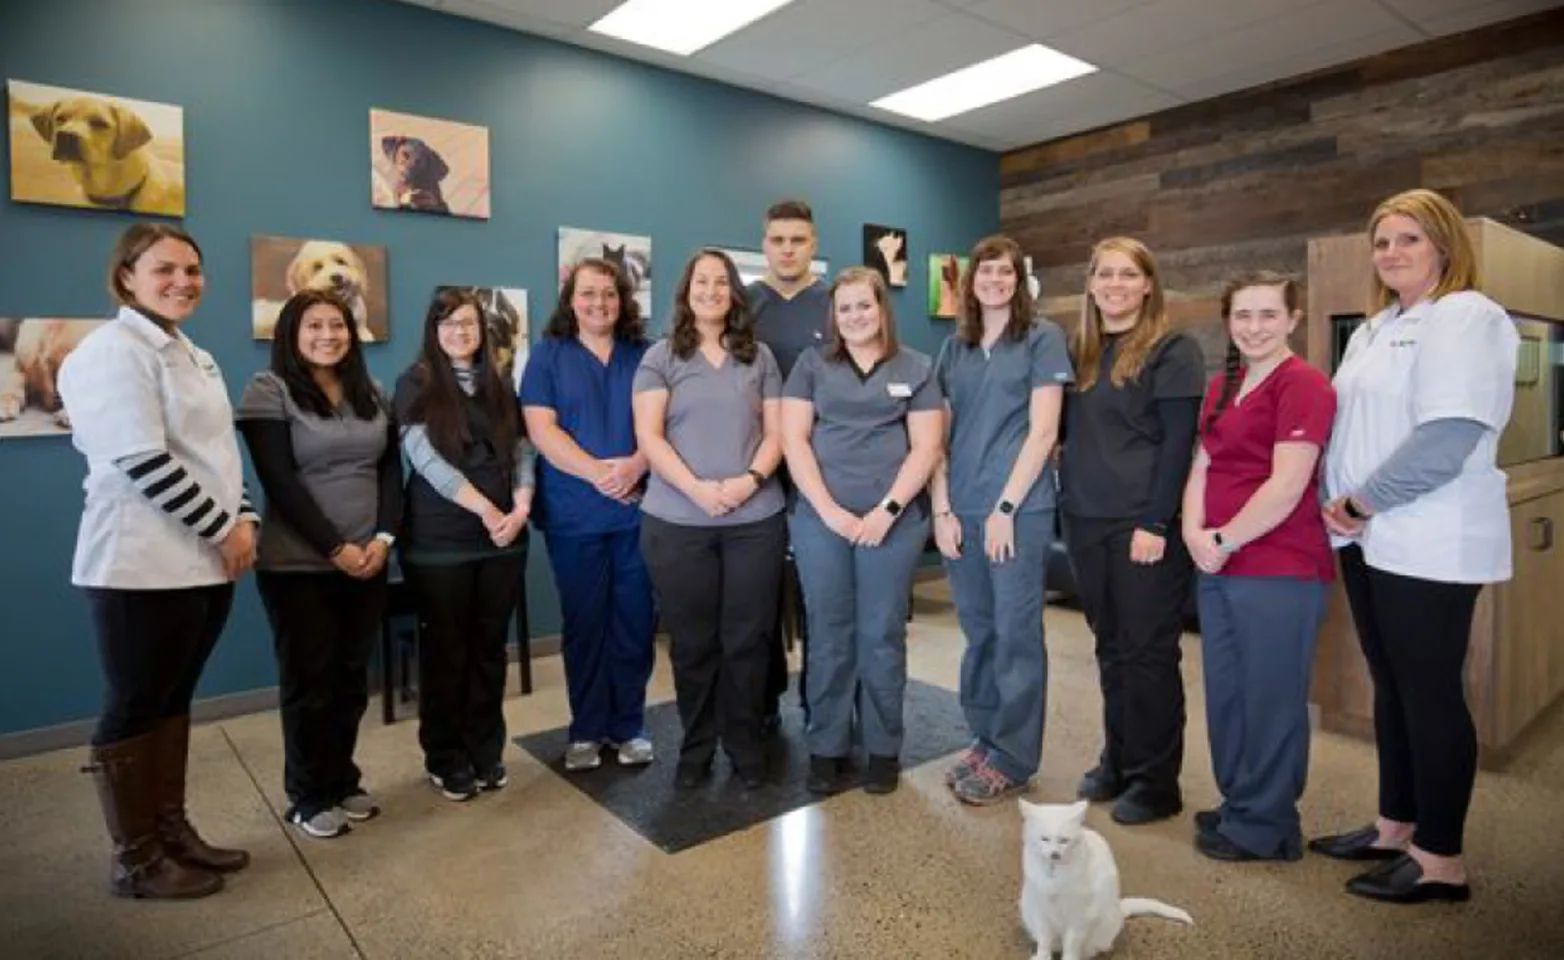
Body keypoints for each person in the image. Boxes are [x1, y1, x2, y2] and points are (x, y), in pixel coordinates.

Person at [1311, 189, 1517, 904]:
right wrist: (1336, 508)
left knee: (1429, 694)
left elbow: (1448, 436)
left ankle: (1441, 859)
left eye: (1410, 240)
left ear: (1444, 247)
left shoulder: (1466, 316)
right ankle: (1395, 826)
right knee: (1391, 686)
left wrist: (1363, 501)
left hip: (1425, 537)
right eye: (1383, 242)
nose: (1392, 253)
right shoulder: (1374, 329)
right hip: (1367, 539)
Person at [58, 223, 255, 899]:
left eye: (193, 270)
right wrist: (224, 529)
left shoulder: (192, 354)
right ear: (127, 278)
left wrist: (245, 518)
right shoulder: (110, 352)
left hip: (200, 562)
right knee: (134, 706)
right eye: (165, 269)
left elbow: (220, 453)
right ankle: (137, 859)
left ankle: (173, 832)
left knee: (172, 701)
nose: (183, 281)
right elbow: (143, 462)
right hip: (139, 564)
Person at [1180, 272, 1336, 862]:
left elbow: (1288, 484)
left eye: (1268, 315)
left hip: (1278, 568)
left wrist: (1221, 537)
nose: (1254, 327)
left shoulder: (1305, 385)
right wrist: (1194, 531)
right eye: (1243, 315)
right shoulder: (1225, 383)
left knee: (1270, 696)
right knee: (1228, 692)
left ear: (1293, 319)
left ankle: (1268, 826)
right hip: (1217, 563)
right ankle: (1240, 800)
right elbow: (1203, 465)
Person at [237, 290, 403, 839]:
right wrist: (336, 548)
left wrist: (382, 539)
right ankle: (307, 794)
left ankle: (341, 778)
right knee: (311, 682)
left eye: (337, 324)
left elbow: (387, 472)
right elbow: (278, 481)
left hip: (369, 560)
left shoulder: (371, 392)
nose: (328, 334)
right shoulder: (270, 390)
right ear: (292, 332)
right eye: (314, 325)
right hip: (298, 566)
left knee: (352, 679)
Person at [1059, 236, 1205, 826]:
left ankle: (1156, 780)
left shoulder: (1174, 350)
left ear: (1148, 284)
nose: (1115, 285)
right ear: (1091, 285)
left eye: (1127, 275)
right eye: (1104, 275)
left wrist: (1155, 522)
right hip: (1086, 520)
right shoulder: (1080, 351)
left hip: (1141, 524)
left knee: (1148, 653)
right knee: (1110, 647)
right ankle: (1117, 759)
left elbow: (1178, 447)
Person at [781, 266, 942, 796]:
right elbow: (795, 441)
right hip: (821, 518)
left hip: (891, 523)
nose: (854, 316)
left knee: (881, 634)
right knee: (828, 633)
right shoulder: (811, 365)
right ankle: (827, 746)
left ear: (882, 309)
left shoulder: (916, 366)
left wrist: (888, 510)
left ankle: (883, 748)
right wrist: (828, 510)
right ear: (835, 315)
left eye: (864, 305)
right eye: (845, 307)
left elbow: (926, 448)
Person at [633, 249, 786, 791]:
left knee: (747, 640)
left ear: (734, 293)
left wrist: (748, 481)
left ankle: (746, 747)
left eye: (722, 282)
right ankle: (696, 748)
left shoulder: (760, 357)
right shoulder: (660, 358)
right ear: (686, 291)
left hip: (755, 520)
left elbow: (777, 433)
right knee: (695, 644)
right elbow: (649, 437)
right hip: (677, 522)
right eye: (702, 282)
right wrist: (698, 490)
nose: (712, 291)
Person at [930, 234, 1072, 806]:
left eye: (1005, 272)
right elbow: (935, 434)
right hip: (961, 507)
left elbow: (1044, 432)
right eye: (985, 271)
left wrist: (1006, 507)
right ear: (971, 281)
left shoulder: (1042, 339)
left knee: (1016, 635)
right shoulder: (955, 347)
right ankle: (985, 737)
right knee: (979, 632)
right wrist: (941, 507)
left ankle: (1013, 757)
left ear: (1020, 281)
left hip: (1018, 508)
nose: (995, 280)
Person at [393, 289, 535, 802]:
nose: (459, 331)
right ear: (434, 330)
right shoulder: (416, 383)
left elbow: (522, 449)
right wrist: (489, 511)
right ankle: (445, 756)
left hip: (503, 542)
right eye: (448, 323)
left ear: (483, 329)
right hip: (441, 542)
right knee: (447, 652)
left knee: (488, 651)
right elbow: (426, 461)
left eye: (468, 323)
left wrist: (519, 509)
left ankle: (485, 750)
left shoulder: (500, 383)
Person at [520, 259, 656, 773]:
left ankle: (629, 727)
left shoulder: (645, 355)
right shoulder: (547, 357)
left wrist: (639, 464)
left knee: (635, 623)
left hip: (638, 513)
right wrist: (602, 474)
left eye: (609, 293)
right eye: (588, 294)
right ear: (570, 300)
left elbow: (662, 423)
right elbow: (542, 431)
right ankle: (586, 729)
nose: (599, 303)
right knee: (585, 624)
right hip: (574, 516)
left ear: (623, 299)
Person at [747, 198, 832, 730]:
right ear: (765, 244)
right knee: (757, 594)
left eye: (797, 240)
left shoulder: (835, 303)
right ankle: (762, 702)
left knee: (819, 596)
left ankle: (819, 704)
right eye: (778, 239)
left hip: (821, 471)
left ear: (813, 244)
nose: (787, 249)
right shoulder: (743, 302)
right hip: (755, 467)